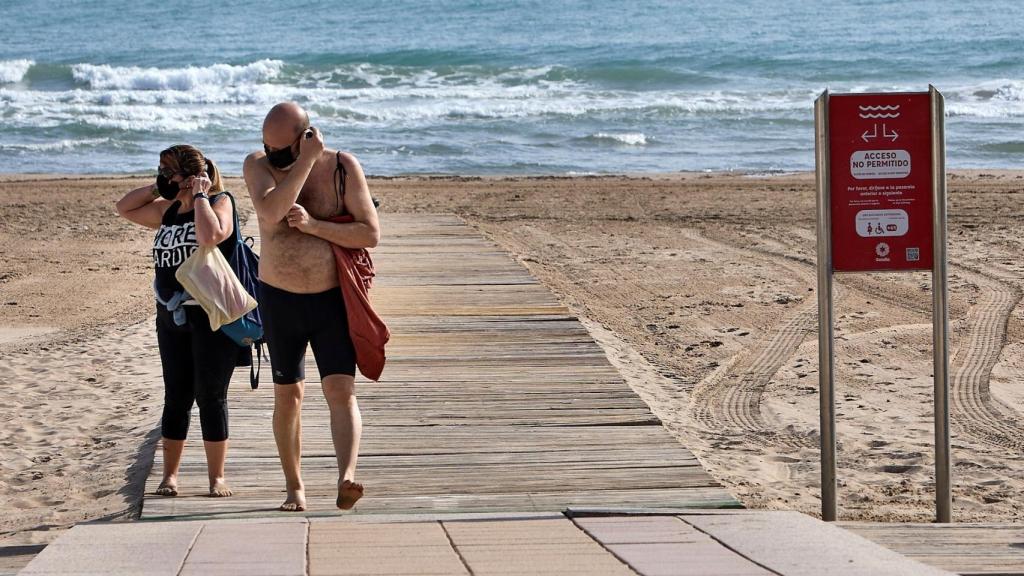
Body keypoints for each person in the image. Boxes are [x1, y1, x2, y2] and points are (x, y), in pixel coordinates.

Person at [243, 102, 380, 511]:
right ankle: (294, 487)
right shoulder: (259, 166)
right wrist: (300, 163)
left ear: (307, 137)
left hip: (332, 298)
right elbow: (271, 211)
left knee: (340, 388)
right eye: (269, 148)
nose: (274, 157)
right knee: (289, 395)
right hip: (280, 298)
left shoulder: (341, 167)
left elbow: (370, 233)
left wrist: (316, 226)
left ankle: (347, 475)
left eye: (282, 151)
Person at [116, 145, 238, 498]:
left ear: (190, 176)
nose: (163, 178)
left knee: (211, 396)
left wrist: (200, 195)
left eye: (168, 173)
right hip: (171, 316)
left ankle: (217, 478)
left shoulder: (220, 202)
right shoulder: (166, 211)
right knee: (176, 396)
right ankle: (170, 476)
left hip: (209, 315)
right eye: (161, 172)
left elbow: (211, 236)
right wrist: (159, 188)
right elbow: (124, 208)